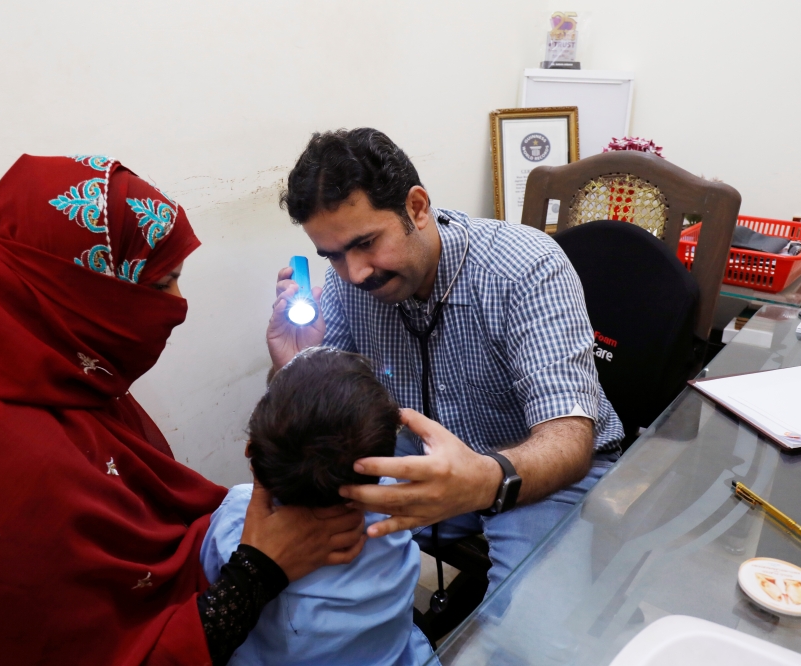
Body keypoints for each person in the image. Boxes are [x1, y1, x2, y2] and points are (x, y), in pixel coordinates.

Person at [0, 154, 365, 666]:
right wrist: (259, 571)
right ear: (76, 289)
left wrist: (294, 366)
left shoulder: (51, 365)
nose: (177, 307)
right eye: (161, 283)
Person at [266, 128, 625, 593]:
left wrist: (482, 479)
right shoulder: (346, 286)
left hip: (546, 472)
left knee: (535, 646)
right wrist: (295, 367)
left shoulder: (526, 267)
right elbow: (324, 426)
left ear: (416, 207)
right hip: (420, 455)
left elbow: (569, 437)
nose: (354, 273)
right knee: (297, 544)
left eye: (366, 243)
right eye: (333, 256)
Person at [200, 348, 435, 666]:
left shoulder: (237, 516)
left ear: (252, 451)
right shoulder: (392, 497)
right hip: (394, 654)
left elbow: (213, 578)